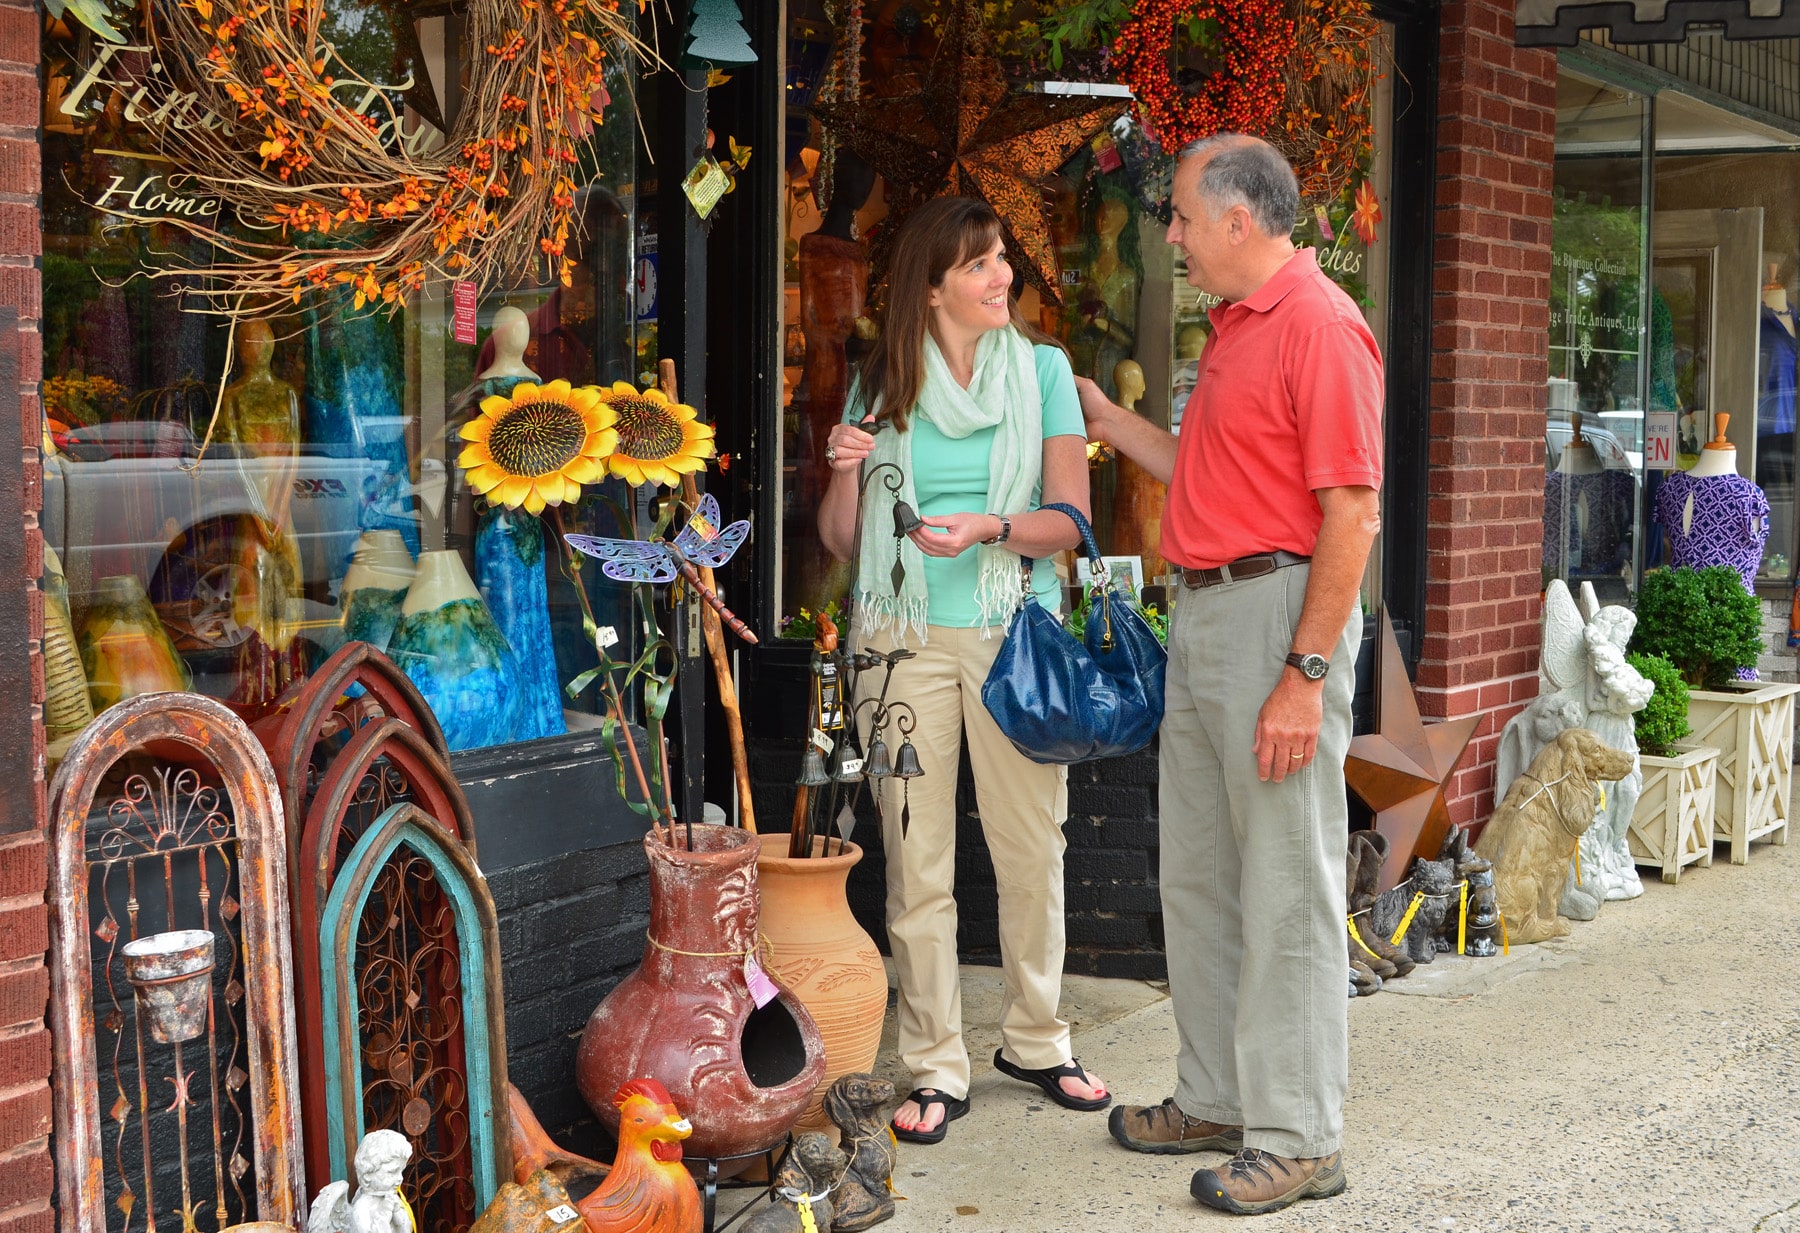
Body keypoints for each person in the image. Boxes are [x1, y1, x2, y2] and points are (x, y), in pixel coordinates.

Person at [1074, 135, 1382, 1216]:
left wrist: (1304, 674)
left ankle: (1300, 1137)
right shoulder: (1238, 328)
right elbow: (1208, 473)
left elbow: (1352, 510)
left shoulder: (1321, 326)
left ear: (1240, 222)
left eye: (1185, 219)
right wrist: (1111, 427)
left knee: (1286, 889)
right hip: (1203, 613)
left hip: (1272, 623)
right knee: (1197, 877)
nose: (1173, 236)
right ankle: (1214, 1098)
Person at [819, 196, 1106, 1145]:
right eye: (980, 265)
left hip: (1013, 631)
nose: (1003, 278)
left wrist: (990, 528)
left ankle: (1038, 1036)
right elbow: (839, 540)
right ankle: (937, 1061)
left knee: (1034, 845)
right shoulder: (885, 377)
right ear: (933, 287)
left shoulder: (1046, 372)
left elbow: (1070, 521)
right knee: (918, 859)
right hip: (898, 642)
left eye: (1001, 262)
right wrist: (839, 468)